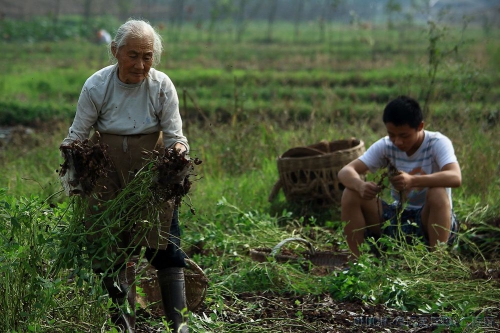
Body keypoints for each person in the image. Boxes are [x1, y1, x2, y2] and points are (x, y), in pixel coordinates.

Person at [60, 19, 190, 333]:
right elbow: (78, 133)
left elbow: (176, 136)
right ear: (115, 51)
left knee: (166, 246)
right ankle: (123, 324)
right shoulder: (97, 85)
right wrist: (72, 160)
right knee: (110, 248)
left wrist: (178, 155)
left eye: (147, 56)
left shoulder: (161, 86)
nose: (141, 64)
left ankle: (180, 324)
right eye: (133, 55)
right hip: (107, 170)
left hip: (150, 173)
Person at [338, 95, 462, 258]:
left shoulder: (437, 143)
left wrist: (413, 180)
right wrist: (360, 186)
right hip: (397, 218)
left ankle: (436, 262)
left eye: (404, 136)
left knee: (438, 193)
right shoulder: (386, 146)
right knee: (351, 193)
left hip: (429, 220)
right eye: (392, 134)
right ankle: (357, 262)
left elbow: (455, 177)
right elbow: (345, 172)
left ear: (420, 127)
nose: (397, 142)